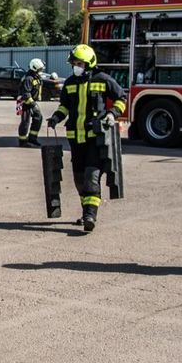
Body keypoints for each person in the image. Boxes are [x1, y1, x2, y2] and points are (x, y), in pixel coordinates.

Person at [46, 45, 126, 233]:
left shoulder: (103, 80)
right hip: (75, 139)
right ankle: (85, 212)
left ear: (89, 63)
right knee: (79, 178)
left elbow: (121, 98)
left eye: (79, 63)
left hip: (95, 138)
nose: (76, 66)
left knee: (91, 176)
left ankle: (91, 215)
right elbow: (64, 106)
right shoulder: (70, 82)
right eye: (74, 63)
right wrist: (56, 117)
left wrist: (113, 113)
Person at [17, 58, 46, 147]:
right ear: (34, 68)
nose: (41, 71)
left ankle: (32, 138)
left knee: (38, 118)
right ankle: (22, 141)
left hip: (32, 101)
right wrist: (33, 105)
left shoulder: (35, 76)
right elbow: (26, 93)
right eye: (40, 69)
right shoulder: (28, 78)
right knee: (25, 122)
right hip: (26, 103)